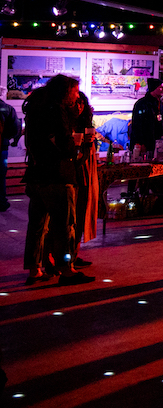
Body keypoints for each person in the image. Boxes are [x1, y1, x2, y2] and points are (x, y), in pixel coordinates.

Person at [22, 75, 94, 285]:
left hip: (37, 175)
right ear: (65, 92)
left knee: (37, 226)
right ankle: (66, 269)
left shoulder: (37, 108)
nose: (76, 95)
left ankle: (35, 270)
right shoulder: (56, 110)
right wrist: (76, 147)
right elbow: (64, 144)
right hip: (58, 175)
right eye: (74, 91)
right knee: (64, 226)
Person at [71, 92, 100, 267]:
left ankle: (74, 253)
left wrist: (90, 142)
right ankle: (65, 258)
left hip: (87, 170)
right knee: (72, 216)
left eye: (82, 103)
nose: (79, 106)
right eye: (76, 102)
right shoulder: (66, 123)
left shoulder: (85, 123)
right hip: (74, 172)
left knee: (82, 212)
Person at [129, 78, 163, 162]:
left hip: (156, 144)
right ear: (153, 88)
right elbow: (137, 125)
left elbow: (160, 122)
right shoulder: (141, 104)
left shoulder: (159, 104)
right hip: (143, 144)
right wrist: (140, 143)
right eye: (161, 87)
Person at [0, 95, 24, 212]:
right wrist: (7, 138)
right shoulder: (7, 108)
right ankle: (1, 202)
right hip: (2, 146)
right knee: (0, 175)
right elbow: (15, 129)